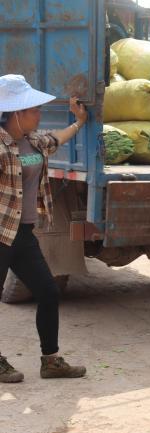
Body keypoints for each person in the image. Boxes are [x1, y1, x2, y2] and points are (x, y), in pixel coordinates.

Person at [0, 74, 87, 383]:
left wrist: (79, 123)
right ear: (16, 113)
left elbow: (55, 139)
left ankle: (50, 361)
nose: (38, 113)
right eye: (33, 109)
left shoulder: (33, 140)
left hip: (22, 235)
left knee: (48, 292)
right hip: (0, 235)